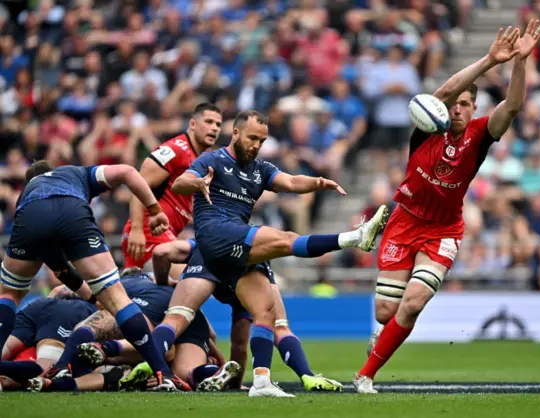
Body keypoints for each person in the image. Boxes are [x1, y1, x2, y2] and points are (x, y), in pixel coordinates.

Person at [353, 20, 540, 394]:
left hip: (442, 230)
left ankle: (366, 375)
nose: (457, 109)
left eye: (465, 105)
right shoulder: (427, 129)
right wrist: (491, 60)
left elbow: (514, 105)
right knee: (384, 312)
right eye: (454, 104)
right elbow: (442, 90)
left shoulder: (481, 135)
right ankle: (381, 337)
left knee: (413, 304)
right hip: (403, 222)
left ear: (474, 109)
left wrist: (519, 62)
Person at [160, 109, 387, 397]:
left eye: (262, 140)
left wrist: (317, 182)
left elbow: (291, 183)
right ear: (237, 133)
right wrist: (198, 182)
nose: (256, 145)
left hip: (233, 250)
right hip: (215, 234)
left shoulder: (260, 169)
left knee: (264, 311)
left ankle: (262, 382)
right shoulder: (213, 159)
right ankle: (354, 237)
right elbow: (180, 182)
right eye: (252, 137)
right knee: (285, 239)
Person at [0, 160, 189, 391]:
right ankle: (164, 373)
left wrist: (89, 296)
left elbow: (60, 269)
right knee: (118, 299)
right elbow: (128, 171)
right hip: (72, 211)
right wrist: (155, 210)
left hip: (31, 216)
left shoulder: (27, 195)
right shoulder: (75, 173)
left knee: (9, 294)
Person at [122, 239, 343, 392]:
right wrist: (235, 384)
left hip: (208, 259)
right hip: (251, 261)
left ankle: (150, 362)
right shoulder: (255, 245)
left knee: (175, 319)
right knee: (278, 327)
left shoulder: (205, 239)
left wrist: (163, 283)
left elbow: (161, 252)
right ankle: (307, 375)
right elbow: (238, 346)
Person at [28, 269, 239, 393]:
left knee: (93, 325)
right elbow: (210, 333)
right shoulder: (163, 282)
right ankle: (214, 372)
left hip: (145, 305)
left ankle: (88, 356)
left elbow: (62, 291)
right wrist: (219, 358)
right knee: (186, 372)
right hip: (189, 317)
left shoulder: (121, 283)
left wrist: (55, 297)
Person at [122, 103, 222, 279]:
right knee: (192, 280)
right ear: (192, 124)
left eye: (218, 124)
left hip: (162, 234)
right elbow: (139, 185)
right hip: (146, 232)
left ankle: (70, 294)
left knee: (125, 299)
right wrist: (136, 230)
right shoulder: (175, 149)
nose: (214, 128)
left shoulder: (203, 160)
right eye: (209, 121)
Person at [0, 290, 97, 390]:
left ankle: (3, 382)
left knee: (3, 348)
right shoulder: (104, 291)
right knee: (47, 370)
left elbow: (56, 291)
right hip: (72, 310)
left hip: (38, 305)